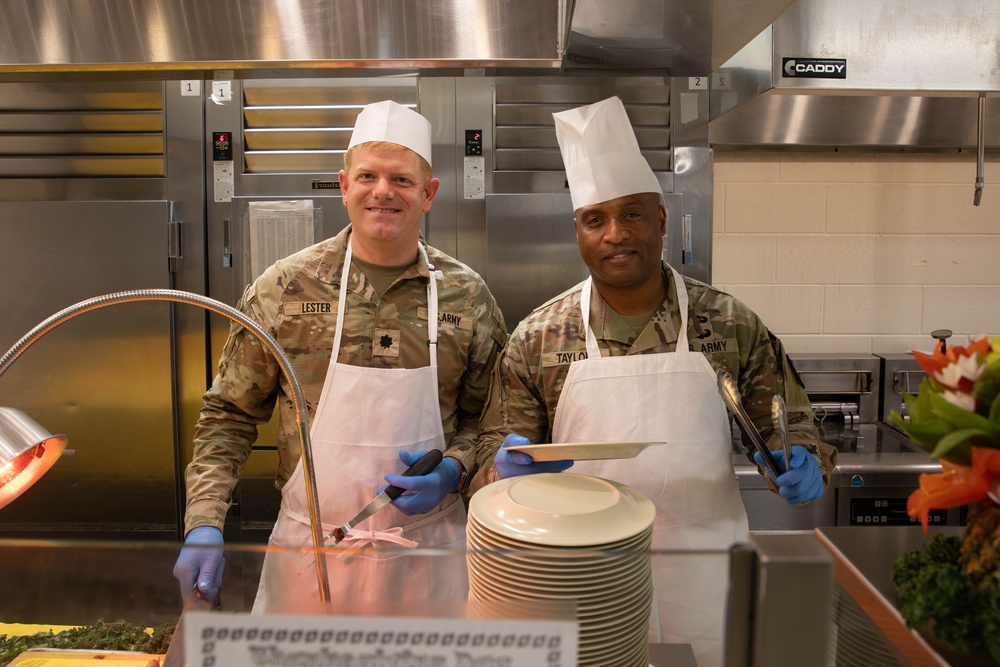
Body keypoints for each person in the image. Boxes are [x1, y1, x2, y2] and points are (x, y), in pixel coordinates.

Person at [470, 96, 837, 667]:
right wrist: (503, 466)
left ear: (661, 219)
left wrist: (799, 459)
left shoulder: (731, 323)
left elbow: (784, 427)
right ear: (578, 232)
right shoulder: (539, 336)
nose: (616, 234)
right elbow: (492, 453)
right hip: (583, 574)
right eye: (596, 219)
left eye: (633, 214)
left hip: (708, 569)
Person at [172, 100, 507, 614]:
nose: (383, 191)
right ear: (344, 185)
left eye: (400, 179)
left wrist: (454, 470)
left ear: (428, 193)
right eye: (367, 176)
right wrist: (204, 522)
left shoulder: (468, 297)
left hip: (429, 551)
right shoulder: (284, 288)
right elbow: (229, 415)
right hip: (310, 553)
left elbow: (489, 425)